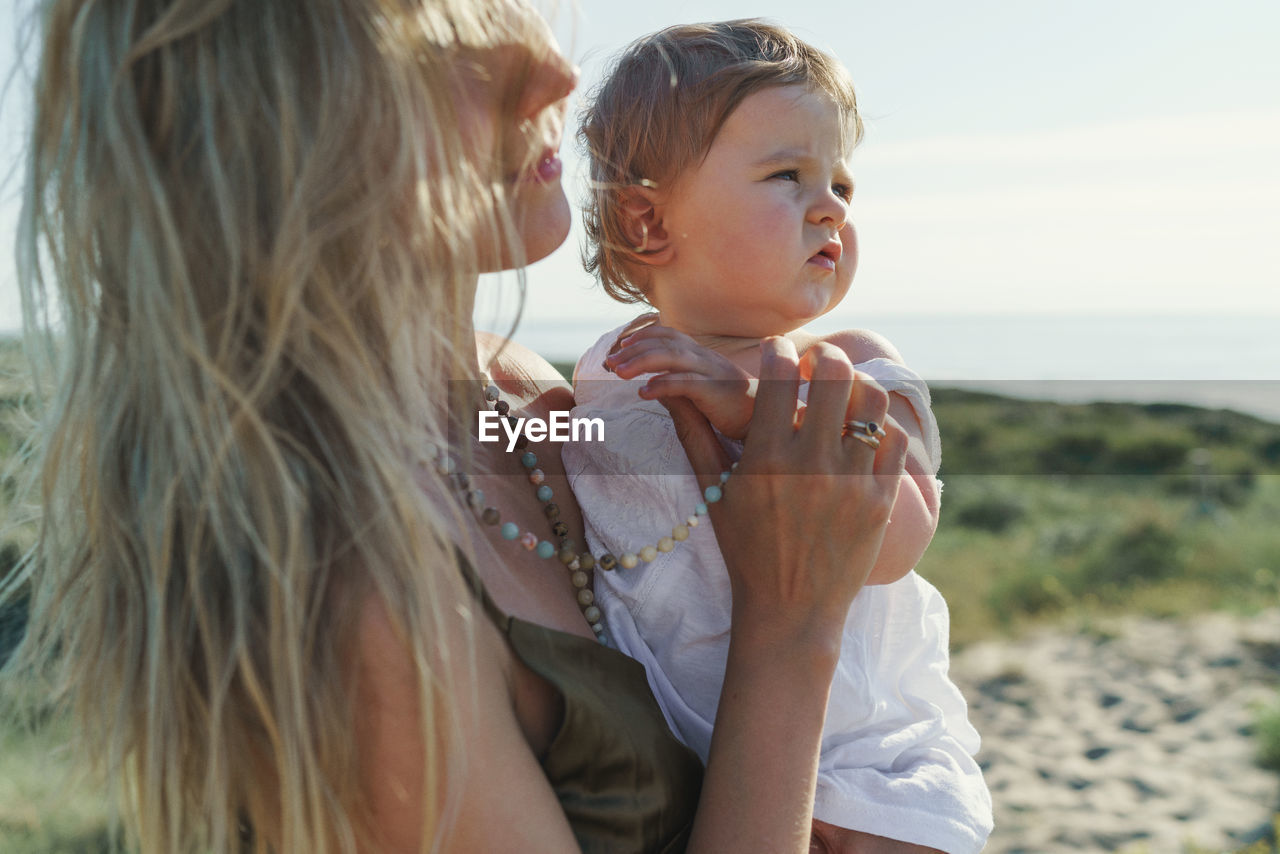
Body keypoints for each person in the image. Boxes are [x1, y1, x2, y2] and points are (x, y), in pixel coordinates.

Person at [4, 1, 911, 852]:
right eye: (454, 48)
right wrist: (794, 625)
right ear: (283, 116)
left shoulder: (525, 396)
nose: (557, 75)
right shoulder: (346, 586)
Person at [566, 20, 993, 853]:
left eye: (841, 182)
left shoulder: (856, 370)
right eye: (787, 175)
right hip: (692, 773)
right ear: (649, 224)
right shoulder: (608, 374)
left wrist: (756, 413)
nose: (831, 203)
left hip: (867, 769)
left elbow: (894, 541)